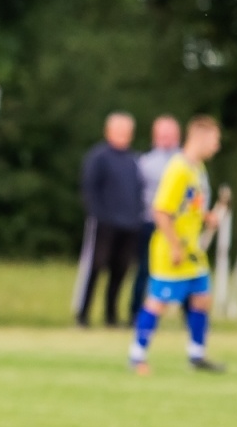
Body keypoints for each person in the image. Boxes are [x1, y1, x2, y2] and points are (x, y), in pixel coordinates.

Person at [129, 115, 227, 374]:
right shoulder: (178, 169)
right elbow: (161, 211)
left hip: (193, 250)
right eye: (215, 140)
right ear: (201, 138)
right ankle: (137, 356)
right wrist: (174, 246)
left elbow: (192, 204)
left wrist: (208, 217)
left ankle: (197, 355)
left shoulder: (198, 169)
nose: (216, 146)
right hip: (171, 250)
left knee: (202, 299)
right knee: (157, 303)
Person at [73, 112, 146, 327]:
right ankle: (83, 314)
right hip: (105, 223)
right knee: (96, 267)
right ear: (108, 132)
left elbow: (138, 190)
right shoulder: (99, 157)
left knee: (120, 270)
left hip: (130, 224)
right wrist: (98, 214)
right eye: (119, 130)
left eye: (127, 131)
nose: (124, 135)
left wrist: (136, 216)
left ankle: (111, 315)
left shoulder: (133, 159)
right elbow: (90, 188)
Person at [131, 115, 182, 315]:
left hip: (179, 225)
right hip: (151, 223)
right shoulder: (145, 163)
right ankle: (136, 312)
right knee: (145, 269)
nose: (166, 139)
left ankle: (189, 315)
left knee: (186, 271)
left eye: (170, 134)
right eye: (162, 134)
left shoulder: (185, 162)